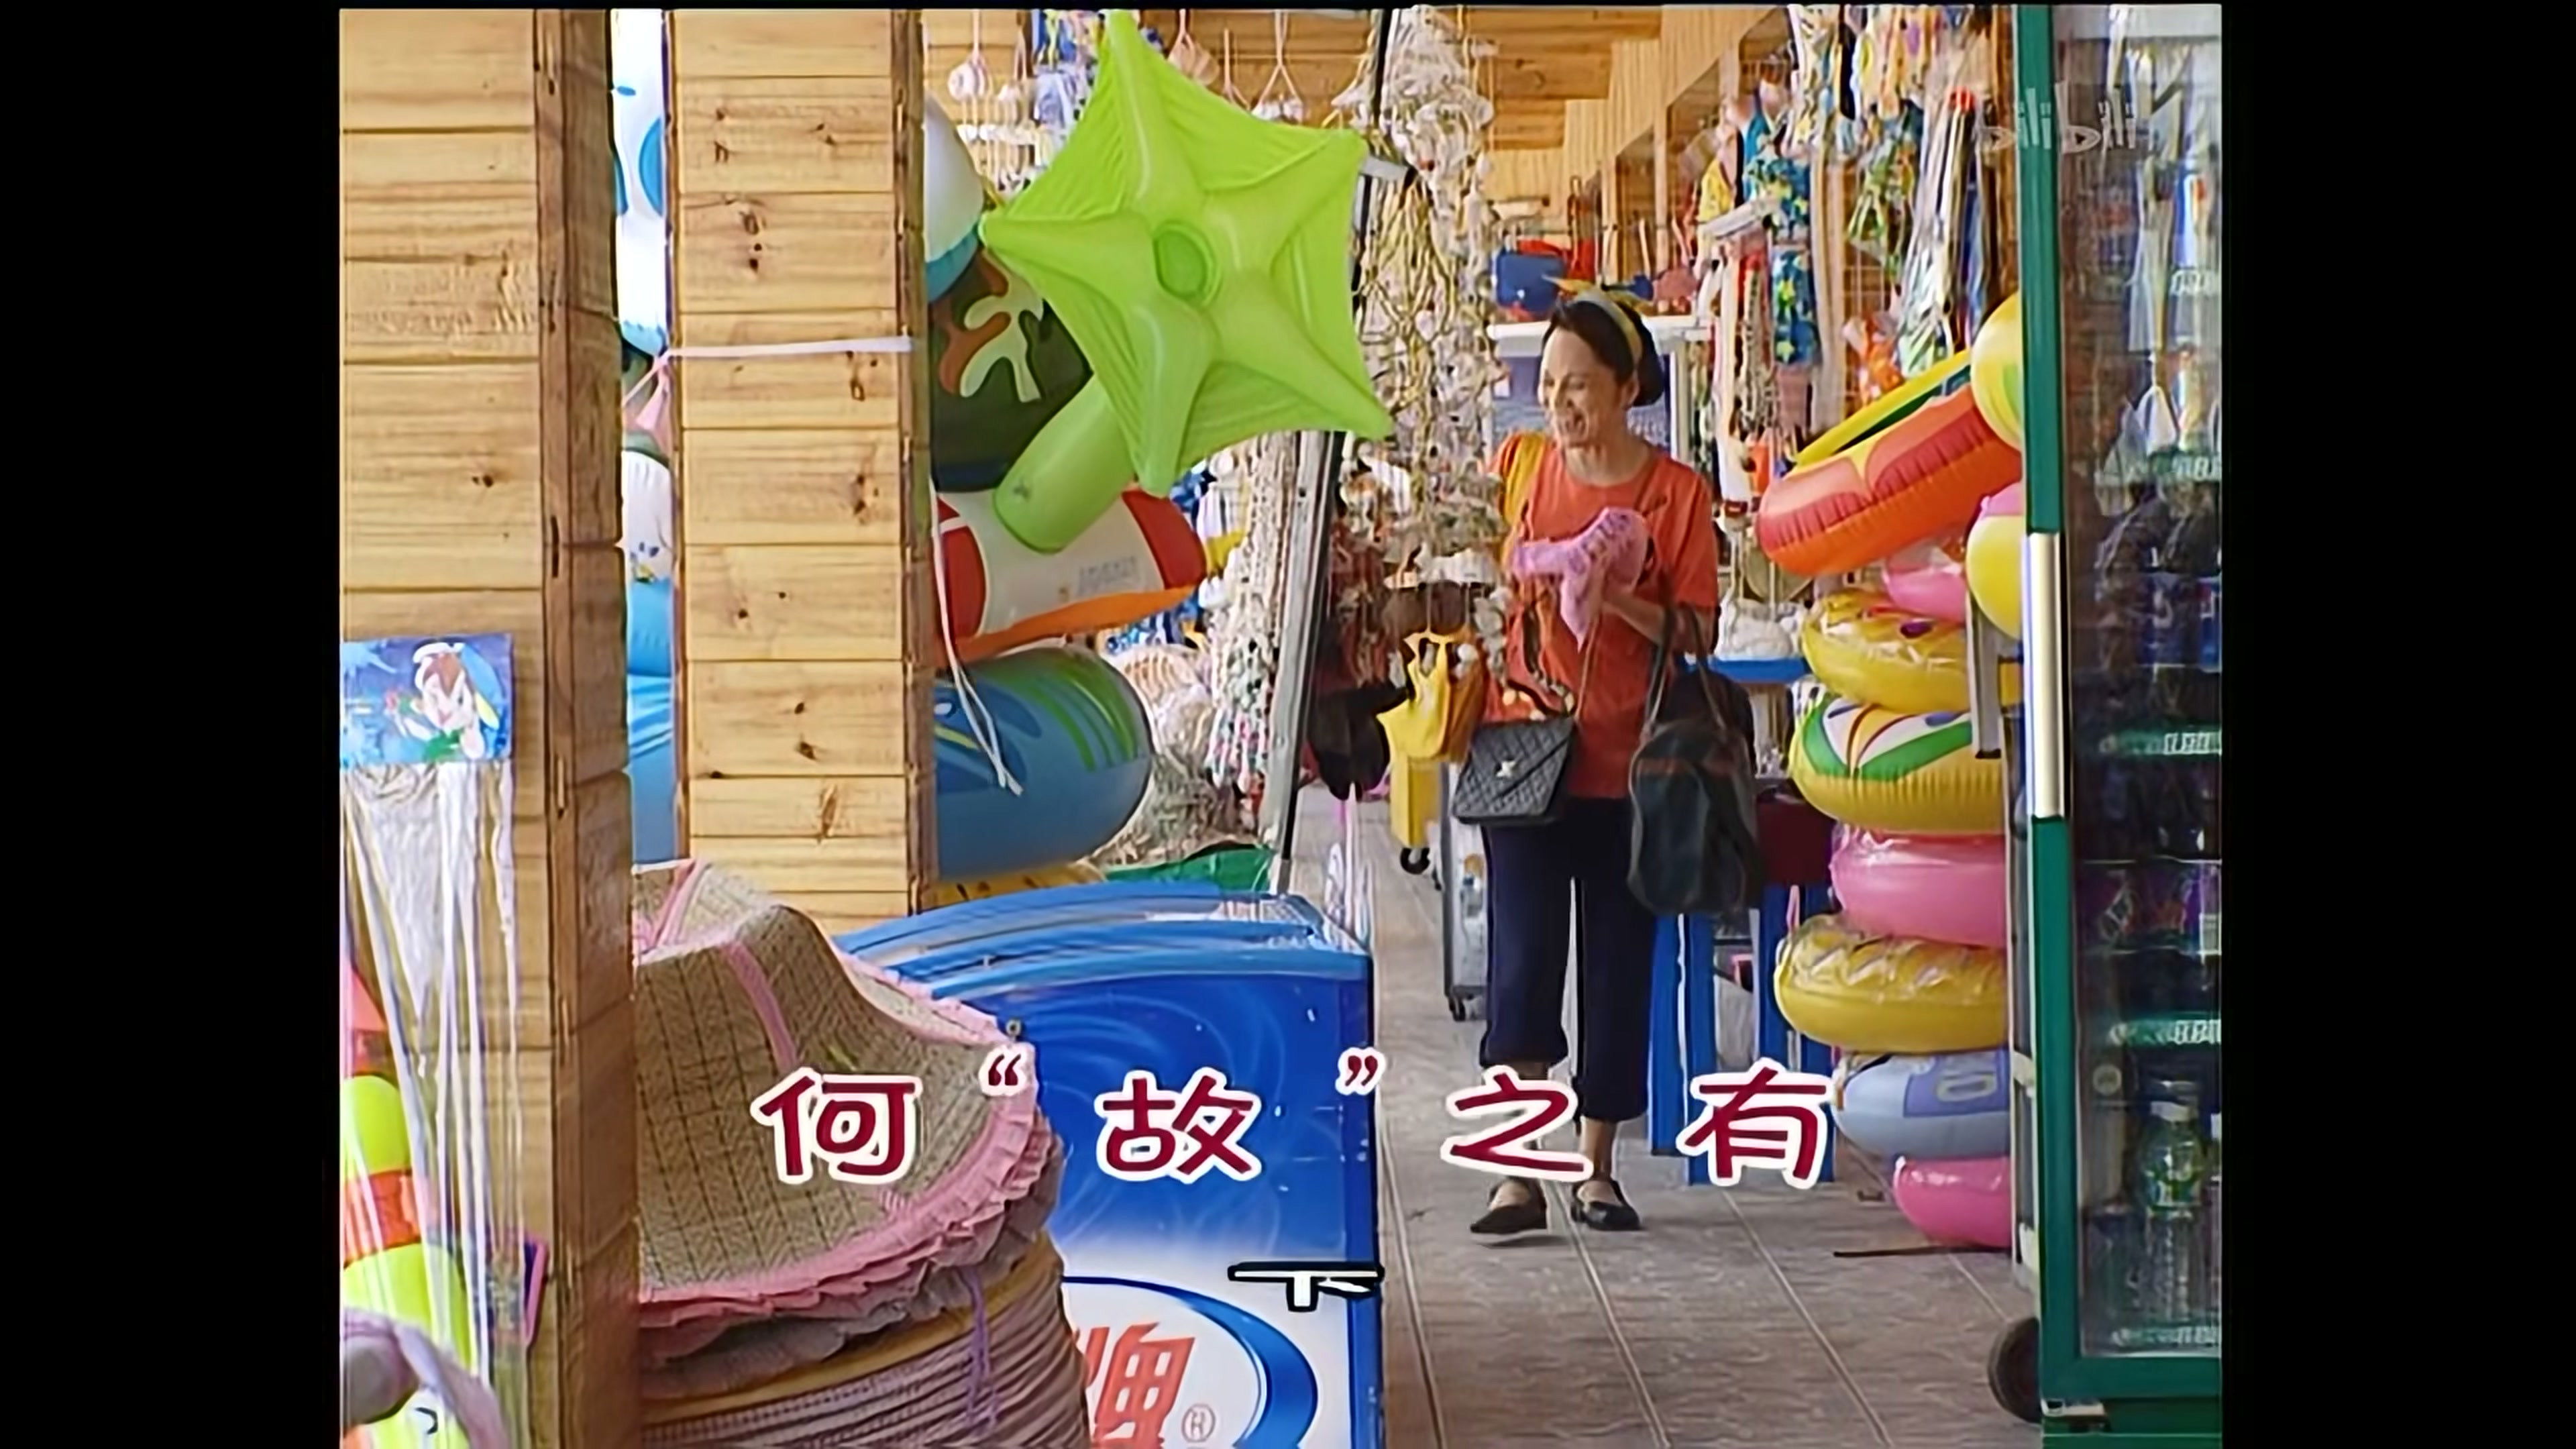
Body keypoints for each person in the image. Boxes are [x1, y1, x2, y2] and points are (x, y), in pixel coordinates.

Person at [1472, 290, 1720, 1236]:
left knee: (1616, 969)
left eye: (1579, 385)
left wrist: (1614, 597)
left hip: (1634, 769)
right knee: (1520, 967)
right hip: (1523, 754)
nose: (1561, 404)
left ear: (1626, 389)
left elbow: (1699, 631)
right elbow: (1489, 578)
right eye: (1549, 385)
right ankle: (1515, 1174)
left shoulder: (1675, 495)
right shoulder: (1523, 472)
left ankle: (1596, 1168)